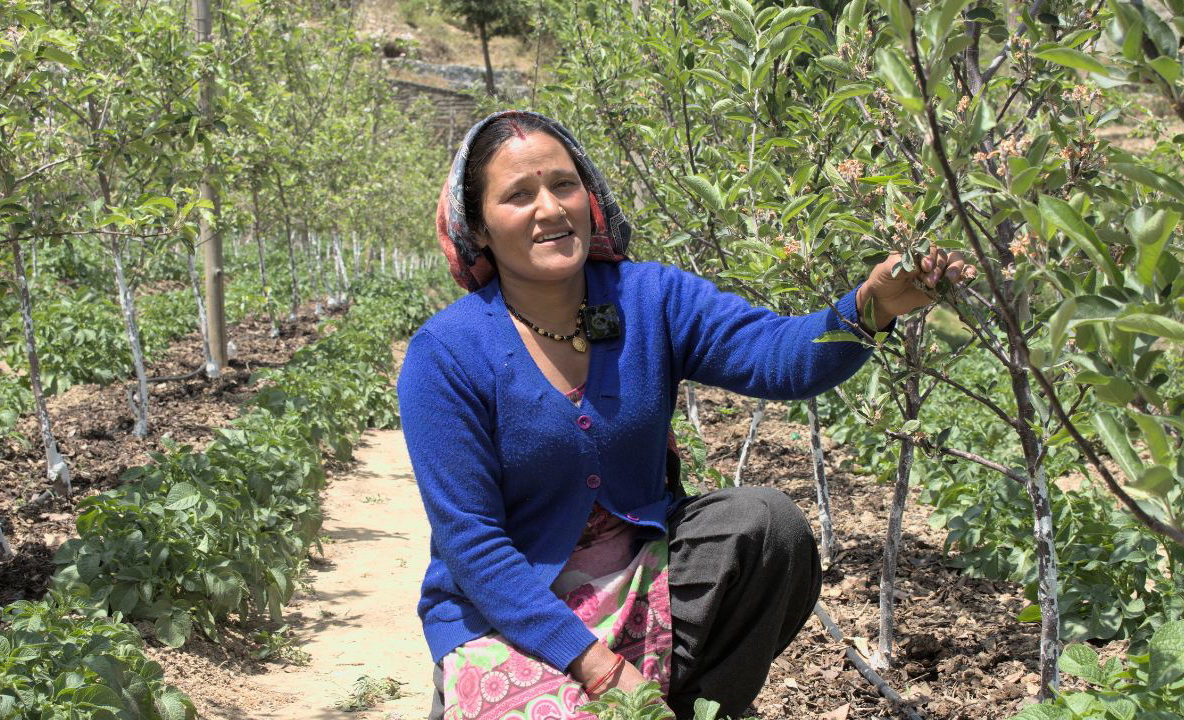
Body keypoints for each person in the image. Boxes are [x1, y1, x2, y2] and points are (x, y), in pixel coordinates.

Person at [397, 110, 975, 720]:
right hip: (514, 606)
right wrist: (593, 665)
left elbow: (777, 357)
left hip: (641, 573)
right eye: (518, 195)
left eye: (563, 185)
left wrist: (869, 305)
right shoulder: (448, 354)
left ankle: (698, 707)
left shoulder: (648, 298)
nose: (550, 208)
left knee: (766, 525)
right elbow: (474, 545)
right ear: (479, 227)